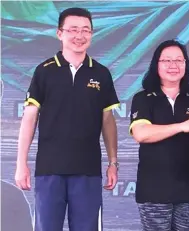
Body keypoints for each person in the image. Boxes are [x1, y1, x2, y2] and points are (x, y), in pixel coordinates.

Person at [15, 7, 120, 231]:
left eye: (85, 30)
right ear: (59, 33)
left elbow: (108, 120)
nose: (79, 36)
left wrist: (113, 162)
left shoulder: (101, 73)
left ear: (92, 35)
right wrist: (20, 163)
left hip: (88, 171)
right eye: (73, 29)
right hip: (49, 170)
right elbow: (30, 118)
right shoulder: (44, 71)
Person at [129, 39, 189, 231]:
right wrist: (182, 126)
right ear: (156, 65)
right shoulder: (143, 98)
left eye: (179, 60)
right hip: (154, 190)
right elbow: (141, 133)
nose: (174, 65)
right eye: (167, 60)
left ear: (186, 65)